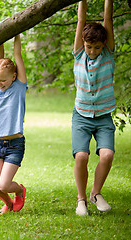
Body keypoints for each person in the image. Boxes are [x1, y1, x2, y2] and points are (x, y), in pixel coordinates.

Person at [73, 0, 116, 216]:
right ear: (83, 43)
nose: (92, 51)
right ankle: (81, 199)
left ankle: (95, 193)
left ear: (104, 45)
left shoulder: (107, 55)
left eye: (97, 47)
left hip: (103, 116)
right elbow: (82, 20)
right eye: (89, 46)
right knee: (81, 156)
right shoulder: (80, 53)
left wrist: (108, 1)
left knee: (107, 155)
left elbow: (107, 21)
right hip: (81, 115)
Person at [0, 34, 27, 215]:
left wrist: (16, 33)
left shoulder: (19, 86)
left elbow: (17, 55)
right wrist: (1, 34)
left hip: (15, 144)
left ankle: (19, 191)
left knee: (4, 184)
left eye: (2, 80)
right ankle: (9, 203)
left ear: (13, 76)